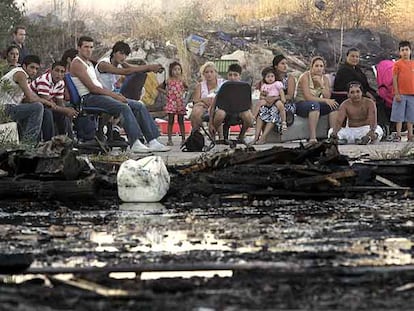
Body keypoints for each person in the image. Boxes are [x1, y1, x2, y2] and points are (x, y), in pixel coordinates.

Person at [70, 36, 168, 153]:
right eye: (86, 47)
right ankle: (135, 142)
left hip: (101, 95)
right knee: (123, 106)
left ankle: (152, 141)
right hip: (89, 98)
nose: (89, 50)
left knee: (139, 105)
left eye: (91, 47)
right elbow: (93, 88)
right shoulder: (77, 63)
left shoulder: (88, 63)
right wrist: (114, 96)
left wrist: (148, 68)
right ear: (79, 48)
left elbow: (130, 69)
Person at [0, 55, 56, 143]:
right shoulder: (20, 73)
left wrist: (46, 102)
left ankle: (45, 141)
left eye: (36, 69)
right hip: (4, 109)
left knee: (43, 110)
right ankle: (29, 143)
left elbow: (30, 97)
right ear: (24, 66)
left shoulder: (23, 76)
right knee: (37, 107)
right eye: (32, 67)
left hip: (10, 107)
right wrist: (45, 101)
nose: (34, 71)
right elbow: (30, 98)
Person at [30, 61, 78, 140]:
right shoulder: (44, 80)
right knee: (48, 113)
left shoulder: (61, 83)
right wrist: (65, 110)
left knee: (65, 112)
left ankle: (65, 140)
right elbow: (47, 103)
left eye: (62, 72)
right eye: (57, 70)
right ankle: (49, 141)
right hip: (35, 104)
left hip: (47, 104)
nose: (59, 74)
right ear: (51, 71)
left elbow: (60, 103)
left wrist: (67, 111)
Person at [295, 56, 338, 144]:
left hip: (315, 103)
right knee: (314, 105)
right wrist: (325, 101)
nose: (319, 68)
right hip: (301, 104)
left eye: (321, 66)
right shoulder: (305, 76)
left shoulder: (325, 79)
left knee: (334, 106)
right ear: (312, 67)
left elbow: (327, 96)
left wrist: (321, 84)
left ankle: (333, 135)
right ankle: (313, 137)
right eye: (316, 66)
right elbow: (308, 97)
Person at [208, 63, 253, 143]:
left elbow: (249, 104)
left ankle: (241, 136)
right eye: (230, 75)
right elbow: (213, 105)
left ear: (240, 76)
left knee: (248, 117)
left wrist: (252, 116)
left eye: (235, 75)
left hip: (239, 111)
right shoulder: (223, 86)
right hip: (224, 110)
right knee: (220, 114)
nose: (232, 77)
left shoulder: (244, 87)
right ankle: (215, 136)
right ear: (227, 76)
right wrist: (211, 123)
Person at [251, 67, 287, 145]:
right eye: (268, 77)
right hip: (267, 102)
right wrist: (266, 98)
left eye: (272, 76)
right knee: (261, 111)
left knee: (276, 110)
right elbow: (261, 96)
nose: (270, 78)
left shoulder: (277, 84)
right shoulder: (264, 86)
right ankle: (256, 135)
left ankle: (283, 122)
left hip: (276, 101)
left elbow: (282, 95)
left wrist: (276, 99)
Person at [157, 61, 188, 146]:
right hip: (171, 103)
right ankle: (169, 139)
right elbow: (159, 88)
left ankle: (183, 138)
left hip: (179, 103)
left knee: (181, 121)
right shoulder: (168, 81)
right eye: (175, 69)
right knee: (170, 121)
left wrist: (183, 93)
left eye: (179, 69)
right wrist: (166, 92)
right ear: (171, 70)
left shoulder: (182, 80)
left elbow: (187, 88)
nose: (177, 71)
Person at [190, 62, 225, 138]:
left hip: (219, 106)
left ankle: (219, 135)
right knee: (196, 111)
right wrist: (204, 100)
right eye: (206, 72)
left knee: (219, 113)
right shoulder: (200, 85)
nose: (209, 74)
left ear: (215, 73)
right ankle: (196, 135)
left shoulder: (222, 83)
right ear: (203, 74)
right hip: (204, 107)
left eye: (211, 72)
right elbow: (195, 100)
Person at [391, 40, 414, 142]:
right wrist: (396, 93)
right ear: (399, 52)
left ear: (410, 51)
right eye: (402, 50)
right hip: (400, 94)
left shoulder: (413, 64)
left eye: (407, 50)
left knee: (411, 116)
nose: (405, 52)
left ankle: (410, 135)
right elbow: (395, 79)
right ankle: (399, 134)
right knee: (399, 116)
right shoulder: (397, 64)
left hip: (412, 94)